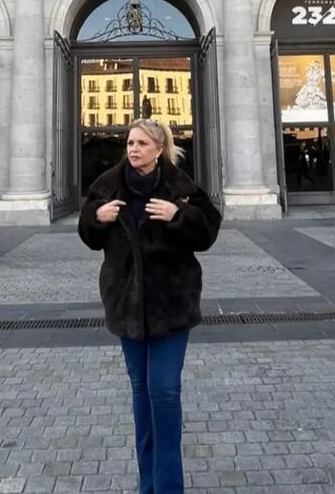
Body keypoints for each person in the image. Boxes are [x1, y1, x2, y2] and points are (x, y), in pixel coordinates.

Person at [78, 118, 221, 494]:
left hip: (171, 305)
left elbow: (208, 232)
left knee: (165, 392)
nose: (133, 149)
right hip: (126, 306)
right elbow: (88, 235)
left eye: (142, 143)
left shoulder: (181, 188)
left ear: (159, 149)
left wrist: (180, 217)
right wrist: (96, 218)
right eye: (129, 142)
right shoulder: (107, 187)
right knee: (141, 394)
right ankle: (148, 485)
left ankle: (169, 487)